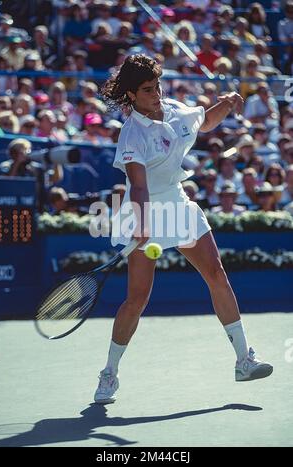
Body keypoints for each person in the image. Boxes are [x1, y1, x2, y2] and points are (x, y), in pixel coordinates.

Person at [93, 54, 273, 404]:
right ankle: (109, 373)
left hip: (177, 202)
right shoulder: (131, 135)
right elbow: (139, 187)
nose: (156, 93)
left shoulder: (173, 108)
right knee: (138, 298)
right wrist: (143, 222)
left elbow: (203, 122)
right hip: (143, 207)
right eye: (147, 89)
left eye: (157, 85)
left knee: (216, 274)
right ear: (130, 95)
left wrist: (225, 104)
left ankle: (243, 359)